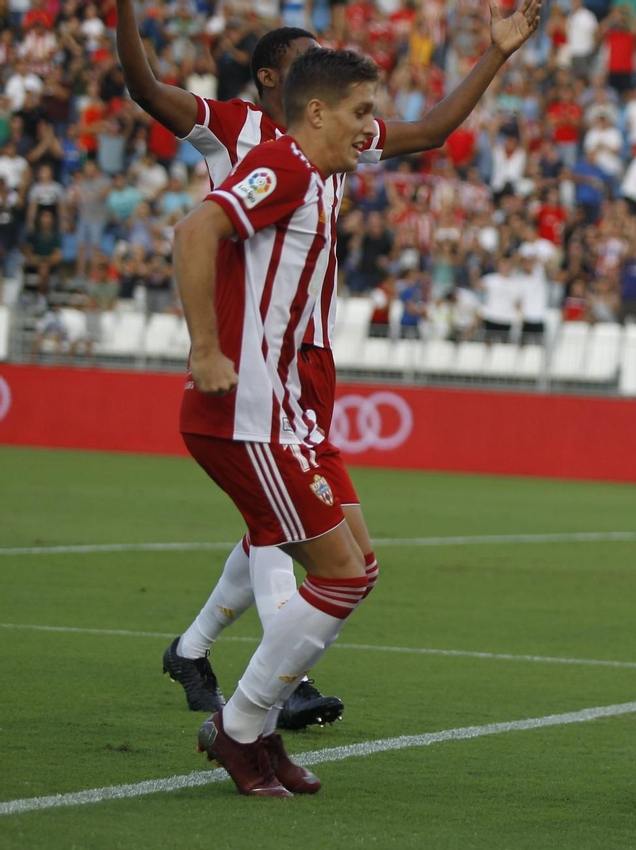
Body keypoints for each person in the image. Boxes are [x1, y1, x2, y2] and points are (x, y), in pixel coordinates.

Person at [118, 0, 546, 727]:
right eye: (304, 60)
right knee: (282, 521)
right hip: (251, 356)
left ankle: (198, 648)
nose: (323, 70)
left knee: (293, 520)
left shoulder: (341, 136)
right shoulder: (239, 130)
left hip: (307, 356)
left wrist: (498, 52)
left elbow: (433, 130)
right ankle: (274, 688)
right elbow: (145, 88)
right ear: (275, 81)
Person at [171, 49, 388, 797]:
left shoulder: (318, 180)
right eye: (361, 112)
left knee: (358, 569)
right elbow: (195, 232)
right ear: (317, 112)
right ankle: (241, 727)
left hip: (288, 417)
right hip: (248, 416)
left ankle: (254, 724)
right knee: (340, 574)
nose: (371, 128)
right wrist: (206, 349)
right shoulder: (285, 165)